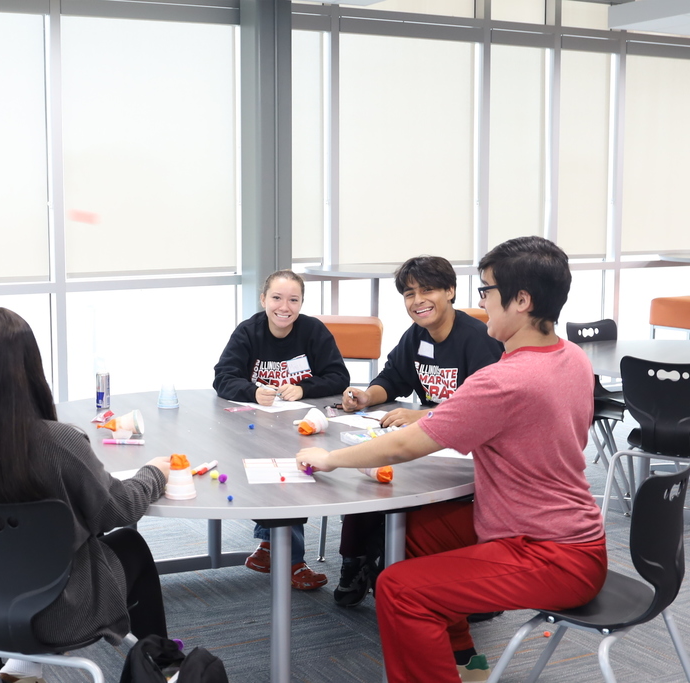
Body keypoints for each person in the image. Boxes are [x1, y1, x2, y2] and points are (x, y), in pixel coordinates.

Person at [296, 236, 606, 683]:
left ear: (521, 300)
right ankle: (461, 658)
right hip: (568, 531)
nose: (482, 301)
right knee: (416, 534)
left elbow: (407, 444)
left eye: (487, 290)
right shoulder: (571, 356)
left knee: (399, 590)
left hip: (550, 552)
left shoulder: (504, 380)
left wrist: (331, 459)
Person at [0, 306, 171, 683]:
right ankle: (161, 668)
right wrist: (155, 473)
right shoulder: (58, 441)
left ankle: (23, 665)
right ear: (28, 366)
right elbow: (117, 509)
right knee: (130, 546)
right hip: (55, 613)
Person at [333, 256, 503, 609]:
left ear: (451, 291)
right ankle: (357, 561)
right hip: (429, 445)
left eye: (428, 290)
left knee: (387, 477)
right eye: (409, 293)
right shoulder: (416, 337)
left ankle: (389, 562)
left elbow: (484, 409)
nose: (418, 300)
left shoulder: (478, 340)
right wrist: (367, 396)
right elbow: (393, 378)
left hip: (469, 453)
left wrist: (426, 415)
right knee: (367, 475)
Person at [213, 269, 350, 591]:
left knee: (292, 474)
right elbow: (222, 377)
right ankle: (289, 557)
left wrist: (305, 389)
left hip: (301, 427)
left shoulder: (313, 331)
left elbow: (338, 376)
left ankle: (273, 546)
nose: (284, 307)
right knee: (271, 471)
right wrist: (251, 391)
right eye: (276, 298)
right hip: (253, 427)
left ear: (301, 303)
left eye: (293, 299)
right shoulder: (249, 331)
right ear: (263, 299)